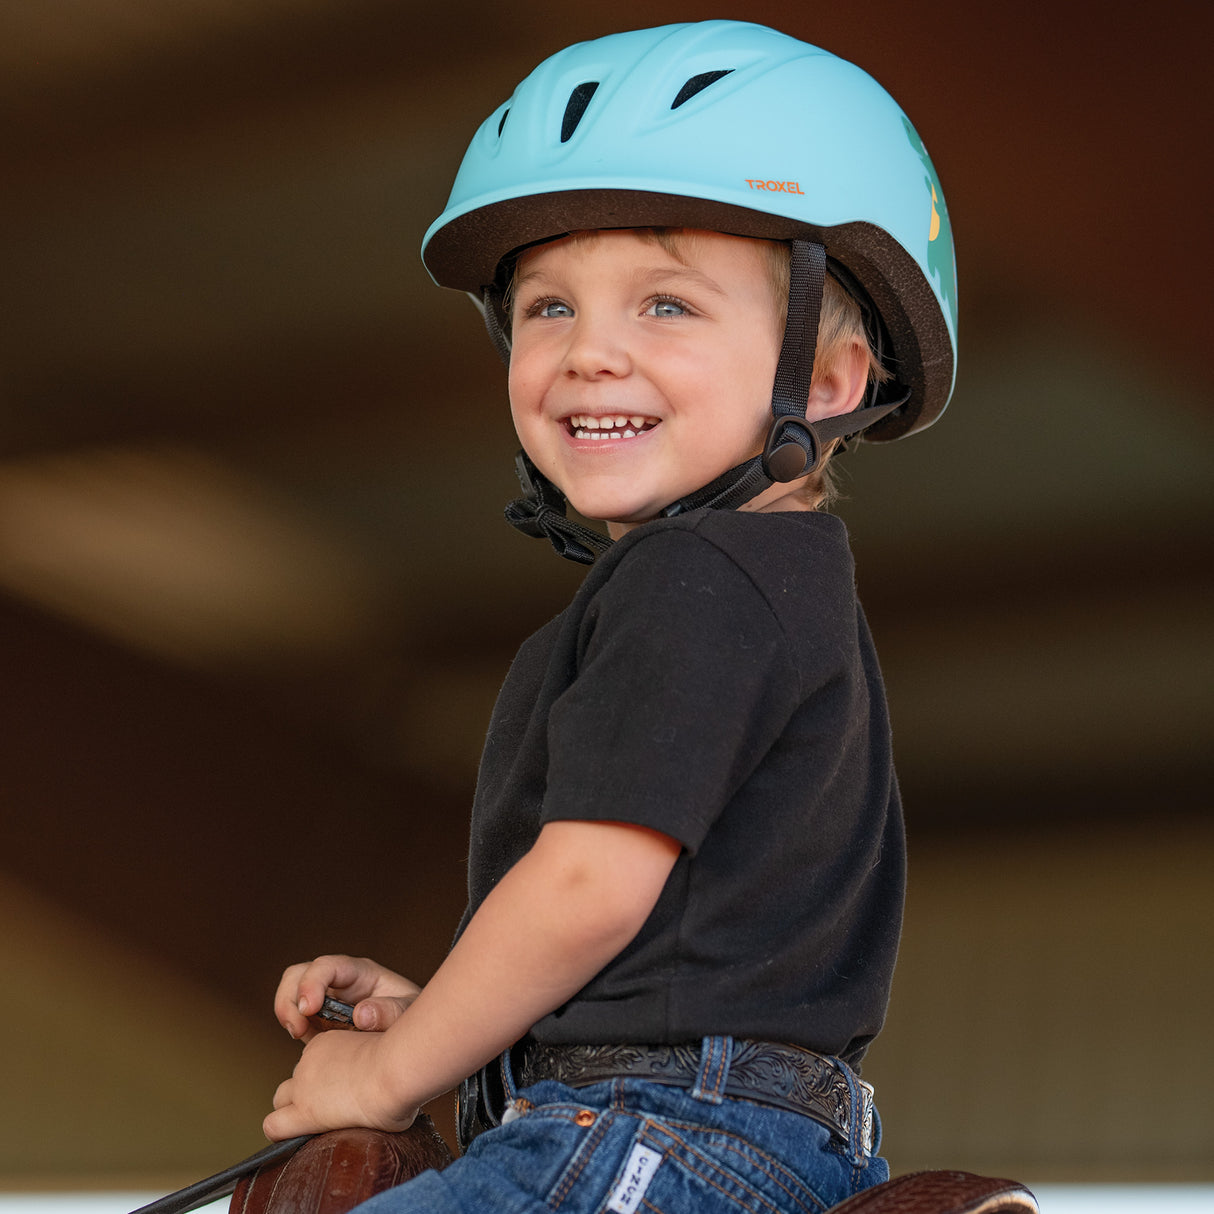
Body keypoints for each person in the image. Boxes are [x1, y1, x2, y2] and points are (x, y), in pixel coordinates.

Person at [263, 18, 957, 1214]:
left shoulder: (700, 575)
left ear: (829, 380)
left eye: (666, 306)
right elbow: (668, 960)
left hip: (662, 1131)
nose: (589, 353)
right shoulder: (765, 584)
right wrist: (441, 1012)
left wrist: (385, 1070)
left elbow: (587, 888)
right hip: (696, 1117)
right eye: (546, 309)